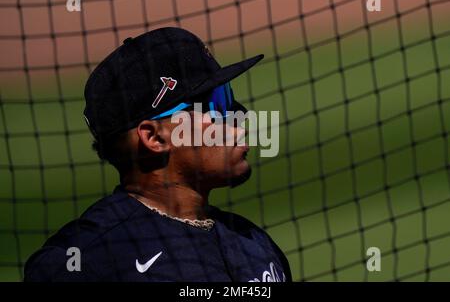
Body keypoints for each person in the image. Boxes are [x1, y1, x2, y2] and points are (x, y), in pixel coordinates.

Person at [24, 27, 291, 282]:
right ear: (154, 137)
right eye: (215, 104)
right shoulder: (89, 260)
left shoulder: (254, 244)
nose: (238, 115)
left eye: (228, 96)